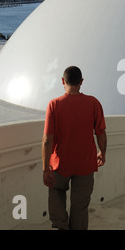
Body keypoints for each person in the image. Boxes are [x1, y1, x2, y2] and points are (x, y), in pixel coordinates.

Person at [42, 66, 107, 230]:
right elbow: (100, 133)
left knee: (57, 198)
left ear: (63, 81)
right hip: (85, 165)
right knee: (80, 209)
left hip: (59, 165)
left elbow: (47, 140)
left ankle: (60, 226)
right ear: (81, 82)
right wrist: (102, 152)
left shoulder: (54, 105)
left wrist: (45, 168)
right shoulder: (93, 103)